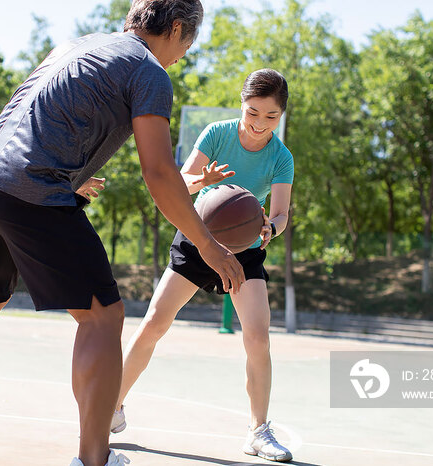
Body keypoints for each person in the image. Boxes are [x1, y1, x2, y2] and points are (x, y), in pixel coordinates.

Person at [0, 1, 247, 465]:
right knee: (103, 316)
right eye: (188, 44)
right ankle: (94, 457)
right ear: (178, 28)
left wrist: (70, 178)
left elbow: (35, 120)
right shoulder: (150, 72)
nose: (182, 54)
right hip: (30, 190)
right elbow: (158, 172)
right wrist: (207, 244)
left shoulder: (78, 46)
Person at [110, 69, 295, 462]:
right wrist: (201, 180)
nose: (261, 124)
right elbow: (177, 183)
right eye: (253, 112)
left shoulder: (281, 157)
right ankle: (112, 407)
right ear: (241, 104)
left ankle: (258, 431)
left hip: (244, 248)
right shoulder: (216, 134)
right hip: (198, 236)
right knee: (153, 325)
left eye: (271, 117)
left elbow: (280, 215)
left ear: (280, 115)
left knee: (258, 337)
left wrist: (268, 228)